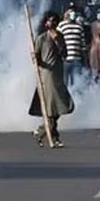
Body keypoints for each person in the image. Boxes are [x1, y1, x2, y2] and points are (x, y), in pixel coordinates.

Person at [29, 11, 74, 148]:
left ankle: (40, 131)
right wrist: (35, 58)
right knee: (51, 109)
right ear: (46, 22)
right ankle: (54, 137)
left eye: (55, 20)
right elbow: (36, 57)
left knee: (60, 106)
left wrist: (58, 42)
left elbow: (65, 54)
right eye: (50, 20)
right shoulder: (41, 38)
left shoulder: (60, 37)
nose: (52, 23)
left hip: (58, 75)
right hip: (46, 77)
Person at [58, 6, 87, 88]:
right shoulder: (61, 25)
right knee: (65, 83)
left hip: (77, 60)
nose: (72, 13)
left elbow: (83, 46)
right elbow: (56, 39)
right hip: (66, 60)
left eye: (73, 11)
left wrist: (85, 61)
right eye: (70, 11)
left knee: (76, 83)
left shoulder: (79, 27)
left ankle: (76, 99)